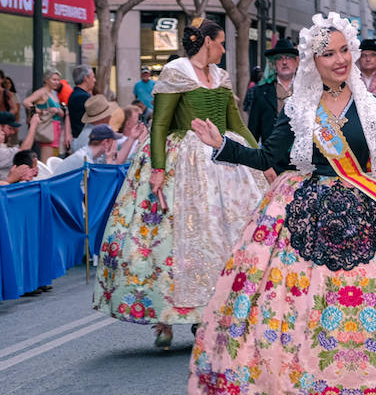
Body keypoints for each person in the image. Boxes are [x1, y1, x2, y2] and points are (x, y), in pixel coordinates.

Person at [184, 13, 376, 395]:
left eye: (343, 50)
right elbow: (268, 159)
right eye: (327, 53)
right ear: (311, 62)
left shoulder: (370, 105)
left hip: (370, 210)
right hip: (305, 213)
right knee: (300, 310)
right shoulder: (299, 108)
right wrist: (222, 145)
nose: (339, 60)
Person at [95, 20, 268, 351]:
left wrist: (260, 160)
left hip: (223, 163)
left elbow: (236, 125)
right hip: (182, 163)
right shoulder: (176, 71)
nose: (223, 49)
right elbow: (159, 124)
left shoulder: (221, 77)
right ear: (206, 43)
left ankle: (208, 312)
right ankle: (165, 318)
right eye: (220, 43)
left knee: (220, 239)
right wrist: (158, 170)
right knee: (171, 241)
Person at [247, 37, 299, 147]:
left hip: (302, 159)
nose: (284, 62)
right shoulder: (260, 92)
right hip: (271, 159)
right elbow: (253, 132)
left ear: (296, 62)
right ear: (274, 65)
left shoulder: (307, 90)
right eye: (279, 58)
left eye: (289, 58)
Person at [23, 71, 68, 161]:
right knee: (47, 159)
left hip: (55, 126)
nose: (57, 82)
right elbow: (26, 102)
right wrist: (40, 111)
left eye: (58, 80)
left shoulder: (53, 93)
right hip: (48, 127)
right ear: (47, 80)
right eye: (54, 79)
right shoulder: (41, 92)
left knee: (53, 158)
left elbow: (61, 113)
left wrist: (57, 110)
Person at [67, 64, 96, 140]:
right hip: (85, 139)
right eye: (93, 77)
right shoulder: (82, 97)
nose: (94, 80)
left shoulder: (76, 94)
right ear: (86, 78)